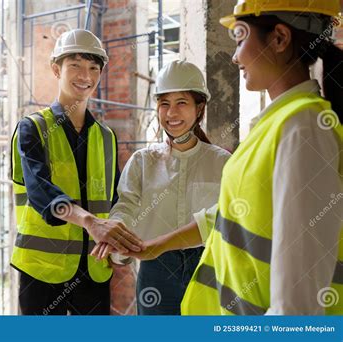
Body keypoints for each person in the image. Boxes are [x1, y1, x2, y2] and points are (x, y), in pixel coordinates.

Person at [96, 0, 343, 315]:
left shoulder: (302, 129)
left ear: (279, 39)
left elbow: (298, 304)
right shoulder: (278, 124)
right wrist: (153, 246)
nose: (235, 56)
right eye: (164, 103)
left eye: (240, 39)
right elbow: (227, 215)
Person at [10, 29, 143, 315]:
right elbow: (40, 192)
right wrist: (90, 222)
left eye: (94, 68)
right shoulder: (32, 128)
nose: (86, 76)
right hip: (43, 271)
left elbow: (114, 200)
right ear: (56, 69)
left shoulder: (106, 137)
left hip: (93, 269)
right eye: (76, 66)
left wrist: (118, 238)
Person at [92, 61, 231, 315]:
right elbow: (126, 205)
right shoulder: (143, 161)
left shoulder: (222, 162)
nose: (171, 113)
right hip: (155, 269)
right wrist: (116, 234)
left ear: (199, 108)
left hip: (208, 265)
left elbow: (228, 220)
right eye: (164, 103)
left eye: (182, 103)